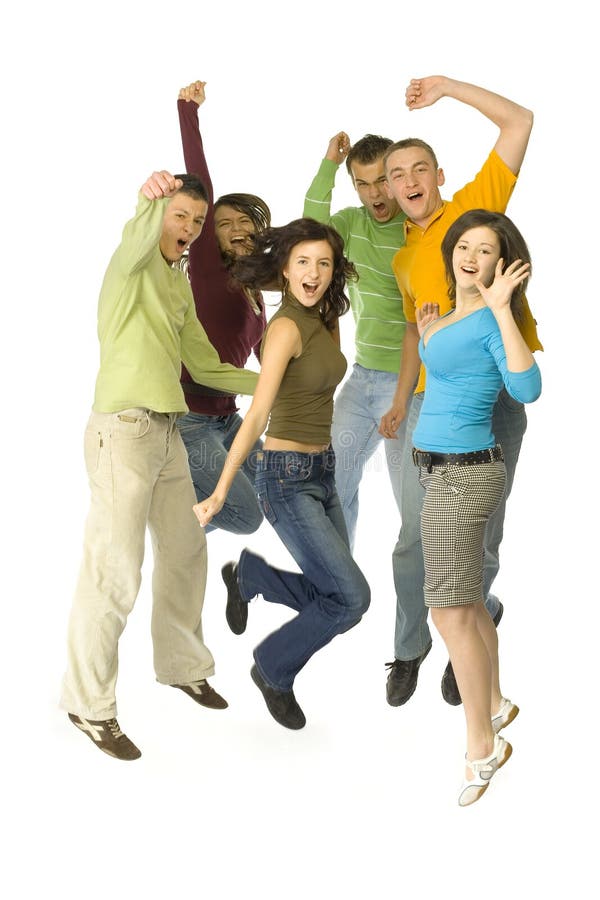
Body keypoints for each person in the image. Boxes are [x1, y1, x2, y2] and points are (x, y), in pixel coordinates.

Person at [61, 169, 258, 760]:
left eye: (198, 222)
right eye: (181, 217)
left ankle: (181, 666)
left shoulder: (176, 287)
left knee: (185, 547)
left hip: (168, 431)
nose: (190, 229)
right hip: (122, 432)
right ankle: (87, 704)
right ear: (158, 216)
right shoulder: (129, 267)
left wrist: (274, 381)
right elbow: (136, 235)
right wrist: (149, 203)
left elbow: (205, 366)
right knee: (116, 570)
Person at [379, 76, 543, 707]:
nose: (410, 179)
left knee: (482, 534)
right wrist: (399, 399)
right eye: (398, 173)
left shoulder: (476, 210)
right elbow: (411, 334)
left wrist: (445, 88)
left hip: (495, 394)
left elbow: (520, 121)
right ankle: (410, 645)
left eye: (420, 168)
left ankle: (467, 642)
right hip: (428, 401)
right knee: (412, 536)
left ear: (440, 176)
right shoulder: (403, 256)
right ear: (390, 190)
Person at [194, 218, 371, 729]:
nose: (313, 273)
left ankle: (252, 577)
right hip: (286, 478)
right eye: (301, 263)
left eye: (323, 263)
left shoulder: (327, 316)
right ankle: (273, 668)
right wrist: (221, 490)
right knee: (352, 598)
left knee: (334, 595)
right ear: (285, 271)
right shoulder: (286, 328)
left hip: (324, 471)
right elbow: (256, 416)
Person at [412, 209, 541, 804]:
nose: (469, 255)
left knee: (447, 609)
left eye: (484, 250)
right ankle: (494, 703)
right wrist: (429, 332)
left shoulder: (491, 318)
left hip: (464, 476)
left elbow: (527, 388)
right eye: (463, 245)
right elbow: (445, 374)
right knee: (462, 600)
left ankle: (481, 745)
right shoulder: (454, 318)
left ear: (502, 263)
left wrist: (502, 309)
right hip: (438, 472)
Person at [176, 80, 271, 534]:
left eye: (244, 223)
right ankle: (171, 529)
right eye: (223, 223)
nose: (234, 228)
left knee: (275, 491)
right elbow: (203, 186)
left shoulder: (257, 293)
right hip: (190, 419)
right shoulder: (208, 270)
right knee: (246, 516)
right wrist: (187, 111)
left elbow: (272, 360)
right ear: (208, 236)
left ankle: (180, 525)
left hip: (228, 418)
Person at [303, 133, 407, 548]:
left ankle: (471, 605)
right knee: (330, 484)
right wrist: (329, 162)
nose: (374, 193)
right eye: (362, 184)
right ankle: (340, 590)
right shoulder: (351, 223)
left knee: (415, 505)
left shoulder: (417, 227)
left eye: (382, 180)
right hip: (363, 378)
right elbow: (309, 227)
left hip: (411, 384)